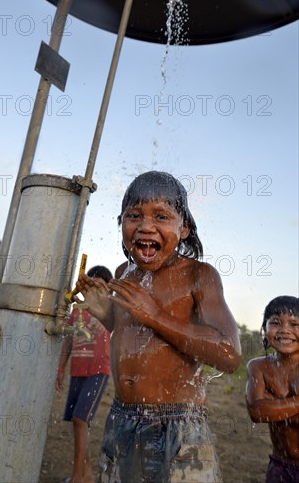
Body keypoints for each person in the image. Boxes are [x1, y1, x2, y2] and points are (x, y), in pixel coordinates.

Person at [76, 170, 241, 483]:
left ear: (185, 228)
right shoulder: (125, 271)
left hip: (179, 422)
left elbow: (229, 354)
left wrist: (154, 314)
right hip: (122, 416)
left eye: (161, 216)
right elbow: (132, 332)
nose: (145, 226)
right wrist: (105, 313)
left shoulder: (199, 276)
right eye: (133, 215)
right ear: (121, 223)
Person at [56, 266, 113, 483]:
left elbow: (116, 319)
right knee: (78, 423)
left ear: (109, 289)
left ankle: (76, 478)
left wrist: (105, 318)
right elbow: (68, 340)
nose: (95, 288)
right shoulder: (78, 308)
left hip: (98, 370)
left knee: (81, 419)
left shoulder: (109, 308)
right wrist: (61, 368)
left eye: (101, 285)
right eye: (92, 283)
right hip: (77, 371)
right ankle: (87, 475)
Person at [246, 295, 299, 482]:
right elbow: (257, 412)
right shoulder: (258, 367)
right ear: (264, 328)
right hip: (280, 466)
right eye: (276, 322)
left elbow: (265, 409)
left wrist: (274, 404)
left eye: (295, 324)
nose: (285, 330)